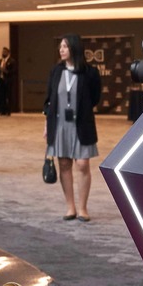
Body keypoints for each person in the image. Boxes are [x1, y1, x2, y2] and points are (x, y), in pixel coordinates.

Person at [44, 35, 101, 221]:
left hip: (81, 124)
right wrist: (47, 125)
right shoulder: (56, 71)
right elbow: (49, 100)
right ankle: (71, 207)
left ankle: (83, 208)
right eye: (60, 46)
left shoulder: (90, 72)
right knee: (64, 164)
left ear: (74, 48)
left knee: (83, 164)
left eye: (65, 46)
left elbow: (95, 98)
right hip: (59, 124)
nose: (61, 50)